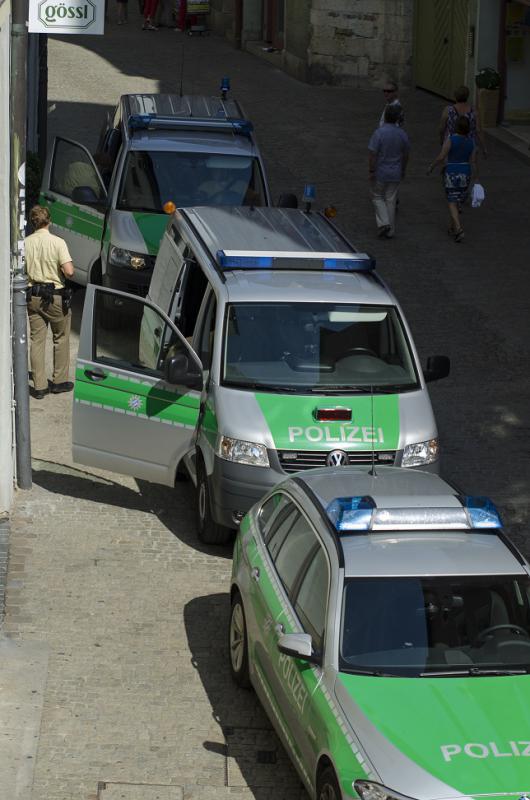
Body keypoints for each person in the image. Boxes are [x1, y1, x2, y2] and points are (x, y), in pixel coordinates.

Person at [25, 206, 75, 399]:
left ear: (33, 223)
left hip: (33, 297)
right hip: (54, 297)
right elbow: (69, 271)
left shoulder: (26, 243)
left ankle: (39, 387)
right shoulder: (58, 242)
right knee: (60, 337)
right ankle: (59, 382)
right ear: (49, 221)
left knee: (37, 340)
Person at [428, 115, 476, 243]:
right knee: (457, 199)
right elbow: (473, 161)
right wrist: (475, 177)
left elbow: (441, 156)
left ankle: (459, 229)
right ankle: (452, 227)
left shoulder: (451, 139)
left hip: (452, 172)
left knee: (451, 200)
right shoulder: (471, 142)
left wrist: (432, 167)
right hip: (465, 172)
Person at [368, 104, 410, 239]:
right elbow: (406, 154)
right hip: (396, 171)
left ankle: (384, 223)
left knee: (377, 196)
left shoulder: (379, 133)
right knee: (391, 199)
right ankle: (391, 230)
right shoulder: (402, 134)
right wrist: (403, 169)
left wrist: (371, 170)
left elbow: (373, 153)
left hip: (381, 170)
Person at [438, 85, 488, 158]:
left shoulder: (448, 110)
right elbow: (479, 130)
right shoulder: (474, 112)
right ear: (467, 97)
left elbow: (442, 128)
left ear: (455, 96)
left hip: (451, 142)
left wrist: (441, 140)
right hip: (467, 143)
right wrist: (484, 148)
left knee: (449, 163)